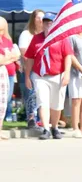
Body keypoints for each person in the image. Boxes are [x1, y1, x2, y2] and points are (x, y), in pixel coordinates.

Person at [24, 12, 75, 140]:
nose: (48, 24)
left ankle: (54, 127)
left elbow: (68, 56)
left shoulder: (62, 37)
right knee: (43, 102)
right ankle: (46, 129)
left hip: (57, 74)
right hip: (40, 76)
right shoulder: (36, 38)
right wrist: (27, 76)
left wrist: (67, 73)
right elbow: (30, 58)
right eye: (46, 22)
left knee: (57, 104)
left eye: (50, 22)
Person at [17, 9, 44, 128]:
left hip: (43, 71)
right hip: (30, 69)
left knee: (41, 95)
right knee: (30, 94)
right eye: (38, 17)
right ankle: (31, 119)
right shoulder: (26, 34)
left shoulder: (46, 35)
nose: (41, 20)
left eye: (42, 18)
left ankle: (42, 119)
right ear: (33, 19)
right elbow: (24, 53)